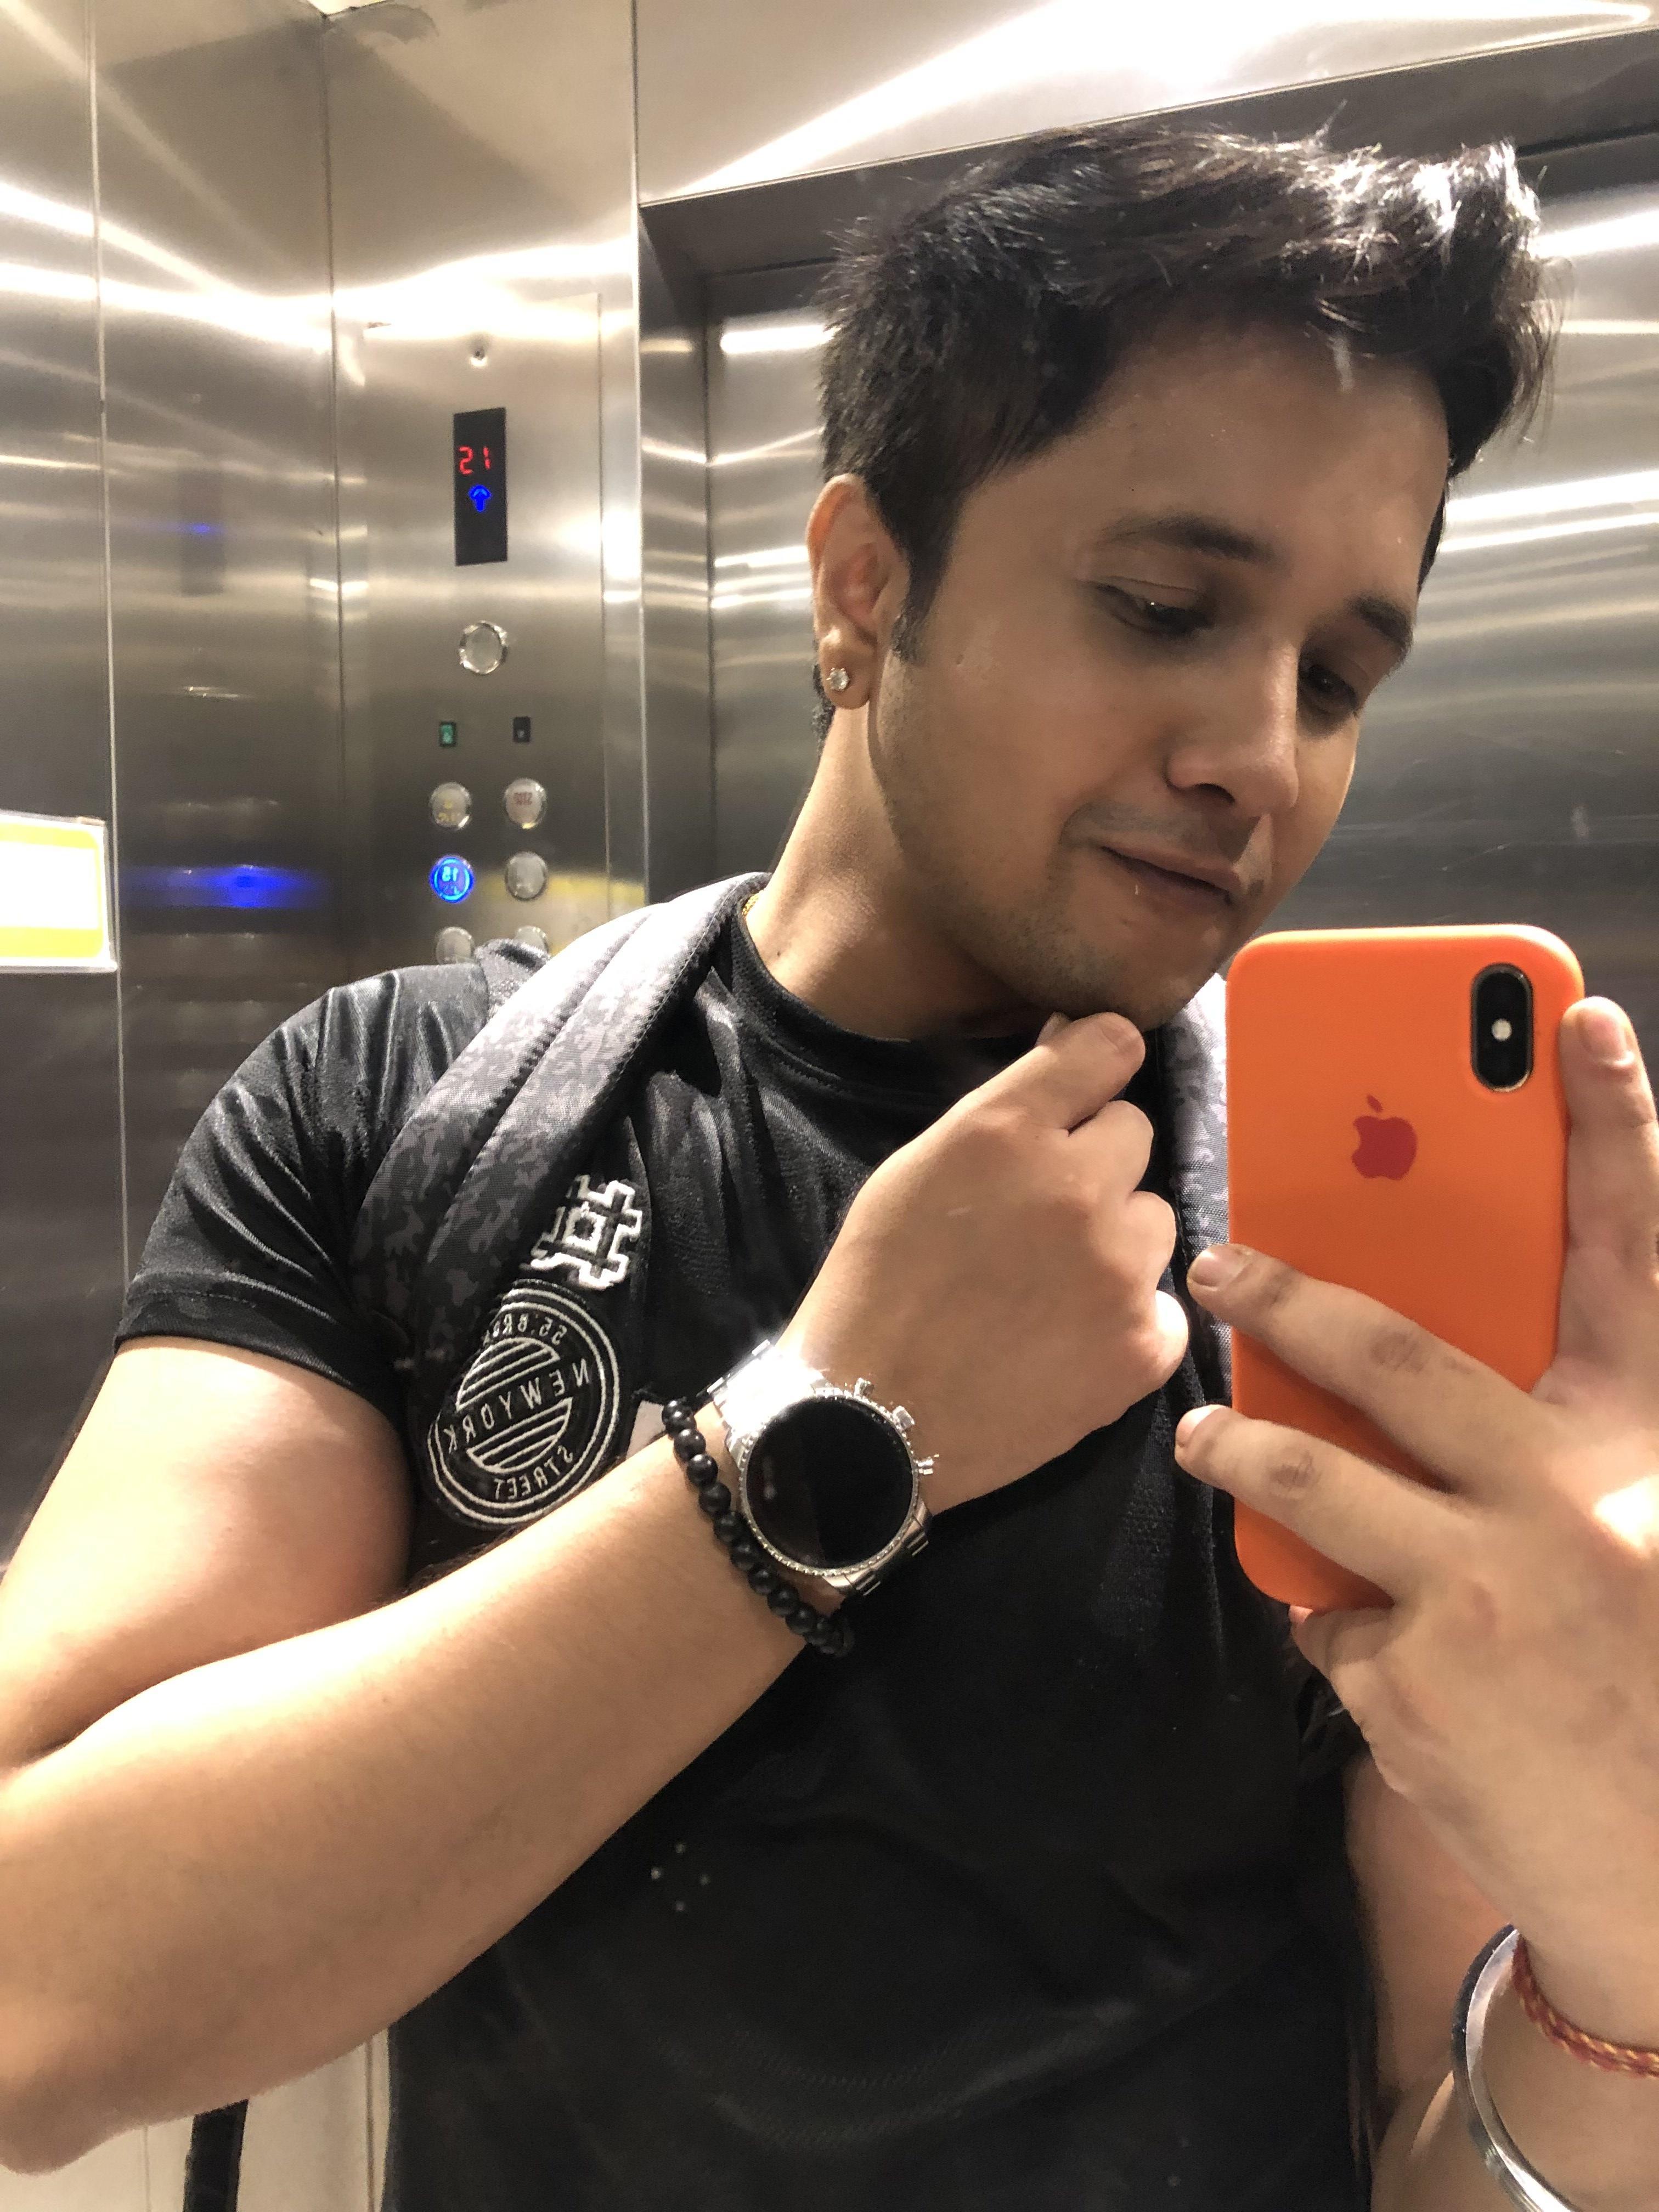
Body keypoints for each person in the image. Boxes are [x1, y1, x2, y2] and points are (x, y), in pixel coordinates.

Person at [1, 120, 1656, 2212]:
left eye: (1337, 677)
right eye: (1165, 607)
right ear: (867, 581)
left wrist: (1630, 1947)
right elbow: (31, 2000)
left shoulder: (1358, 1265)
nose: (1264, 754)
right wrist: (827, 1436)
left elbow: (1439, 2150)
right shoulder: (409, 1097)